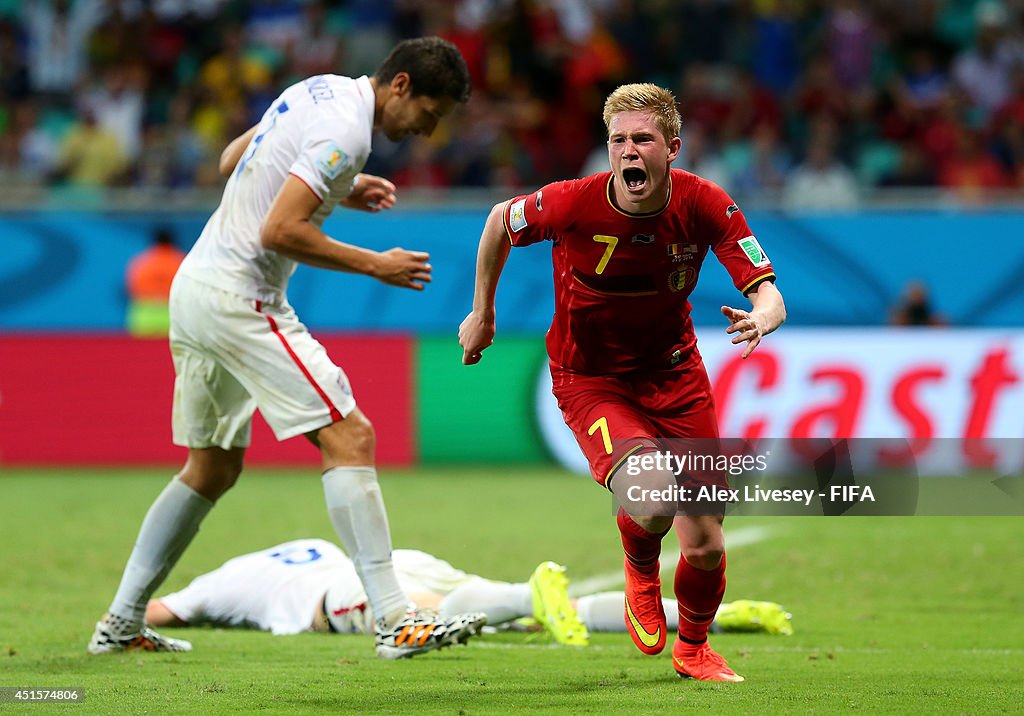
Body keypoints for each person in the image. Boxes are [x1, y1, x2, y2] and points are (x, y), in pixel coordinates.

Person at [88, 36, 484, 660]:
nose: (428, 133)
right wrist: (375, 264)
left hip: (197, 288)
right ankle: (394, 620)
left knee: (211, 467)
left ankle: (120, 622)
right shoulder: (348, 133)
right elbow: (281, 229)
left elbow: (231, 160)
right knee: (350, 435)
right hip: (241, 297)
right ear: (401, 86)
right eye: (429, 115)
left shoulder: (315, 90)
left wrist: (339, 186)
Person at [458, 83, 786, 681]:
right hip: (593, 378)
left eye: (642, 139)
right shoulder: (571, 202)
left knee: (707, 544)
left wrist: (762, 315)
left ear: (673, 148)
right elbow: (498, 222)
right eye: (617, 141)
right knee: (653, 495)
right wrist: (484, 312)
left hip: (676, 377)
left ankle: (694, 648)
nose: (628, 151)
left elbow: (767, 289)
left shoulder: (706, 203)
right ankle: (640, 564)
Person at [143, 539, 793, 641]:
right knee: (521, 610)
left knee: (442, 617)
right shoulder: (286, 548)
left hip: (345, 590)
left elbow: (157, 612)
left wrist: (126, 619)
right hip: (395, 555)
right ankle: (707, 616)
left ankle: (527, 596)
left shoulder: (214, 584)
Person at [125, 226, 185, 337]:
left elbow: (131, 288)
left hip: (144, 317)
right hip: (172, 316)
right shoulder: (181, 261)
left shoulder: (141, 262)